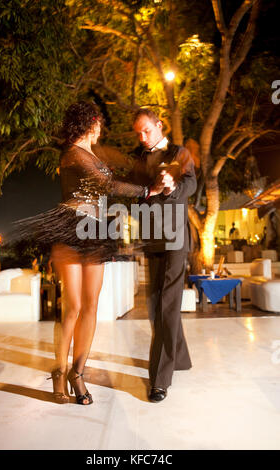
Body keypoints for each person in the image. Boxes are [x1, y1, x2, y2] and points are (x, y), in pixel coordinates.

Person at [42, 101, 166, 405]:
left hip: (95, 233)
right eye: (98, 124)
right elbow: (105, 183)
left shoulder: (95, 154)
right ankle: (59, 371)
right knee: (72, 307)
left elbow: (119, 170)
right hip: (70, 232)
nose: (100, 130)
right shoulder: (72, 153)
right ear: (91, 123)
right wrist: (149, 191)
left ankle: (78, 372)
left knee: (91, 307)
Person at [132, 108, 197, 403]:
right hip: (151, 237)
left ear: (159, 125)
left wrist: (172, 188)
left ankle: (160, 379)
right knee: (154, 303)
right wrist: (149, 190)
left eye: (146, 130)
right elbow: (130, 192)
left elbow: (191, 184)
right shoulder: (136, 156)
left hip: (175, 237)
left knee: (168, 304)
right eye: (138, 133)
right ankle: (180, 357)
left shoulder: (179, 152)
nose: (142, 137)